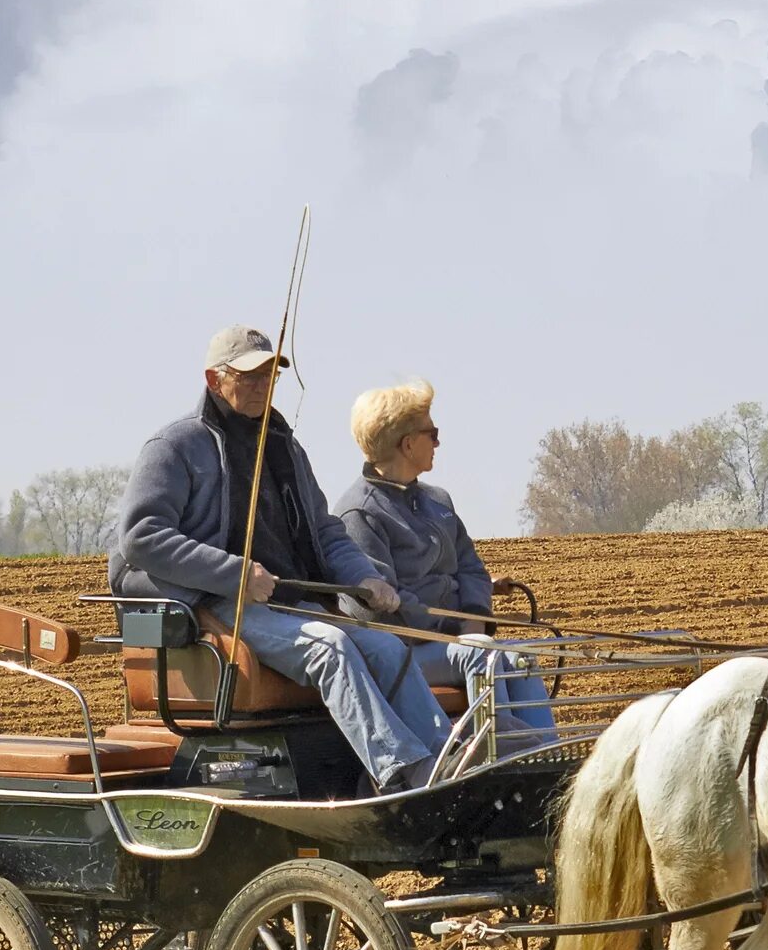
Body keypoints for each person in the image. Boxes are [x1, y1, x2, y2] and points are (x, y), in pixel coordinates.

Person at [109, 326, 451, 794]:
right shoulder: (175, 447)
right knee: (329, 649)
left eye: (270, 374)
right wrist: (235, 574)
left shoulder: (285, 448)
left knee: (388, 649)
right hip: (219, 604)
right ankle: (399, 773)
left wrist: (364, 577)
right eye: (249, 375)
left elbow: (324, 530)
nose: (261, 385)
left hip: (289, 602)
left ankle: (446, 765)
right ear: (214, 379)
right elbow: (141, 537)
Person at [335, 380, 559, 750]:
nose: (438, 442)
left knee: (522, 658)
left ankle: (546, 753)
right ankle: (500, 756)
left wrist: (473, 616)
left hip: (458, 641)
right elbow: (382, 608)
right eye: (431, 433)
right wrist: (459, 630)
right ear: (408, 444)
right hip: (401, 653)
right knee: (482, 653)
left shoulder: (438, 500)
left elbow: (471, 566)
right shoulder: (360, 511)